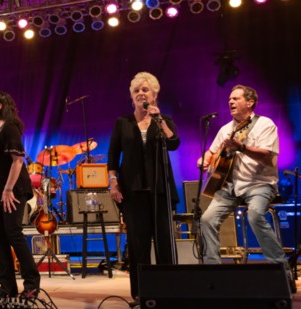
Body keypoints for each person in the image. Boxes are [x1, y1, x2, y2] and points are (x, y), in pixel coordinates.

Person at [198, 85, 295, 291]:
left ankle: (281, 270)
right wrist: (204, 160)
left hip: (259, 184)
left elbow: (267, 155)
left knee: (255, 215)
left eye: (235, 98)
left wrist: (241, 147)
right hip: (231, 186)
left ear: (249, 102)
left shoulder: (264, 124)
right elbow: (211, 151)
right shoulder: (225, 129)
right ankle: (213, 274)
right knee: (206, 219)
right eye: (229, 99)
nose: (230, 102)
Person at [107, 72, 180, 303]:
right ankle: (141, 293)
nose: (141, 93)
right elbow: (112, 156)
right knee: (138, 244)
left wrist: (159, 121)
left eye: (145, 90)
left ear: (155, 94)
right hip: (132, 190)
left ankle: (168, 291)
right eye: (136, 90)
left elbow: (174, 143)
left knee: (164, 242)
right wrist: (113, 182)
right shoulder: (123, 123)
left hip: (160, 189)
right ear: (131, 96)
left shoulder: (163, 119)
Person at [0, 90, 40, 299]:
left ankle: (31, 284)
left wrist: (7, 189)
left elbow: (18, 160)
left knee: (12, 233)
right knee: (0, 238)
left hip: (13, 191)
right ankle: (7, 287)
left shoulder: (9, 127)